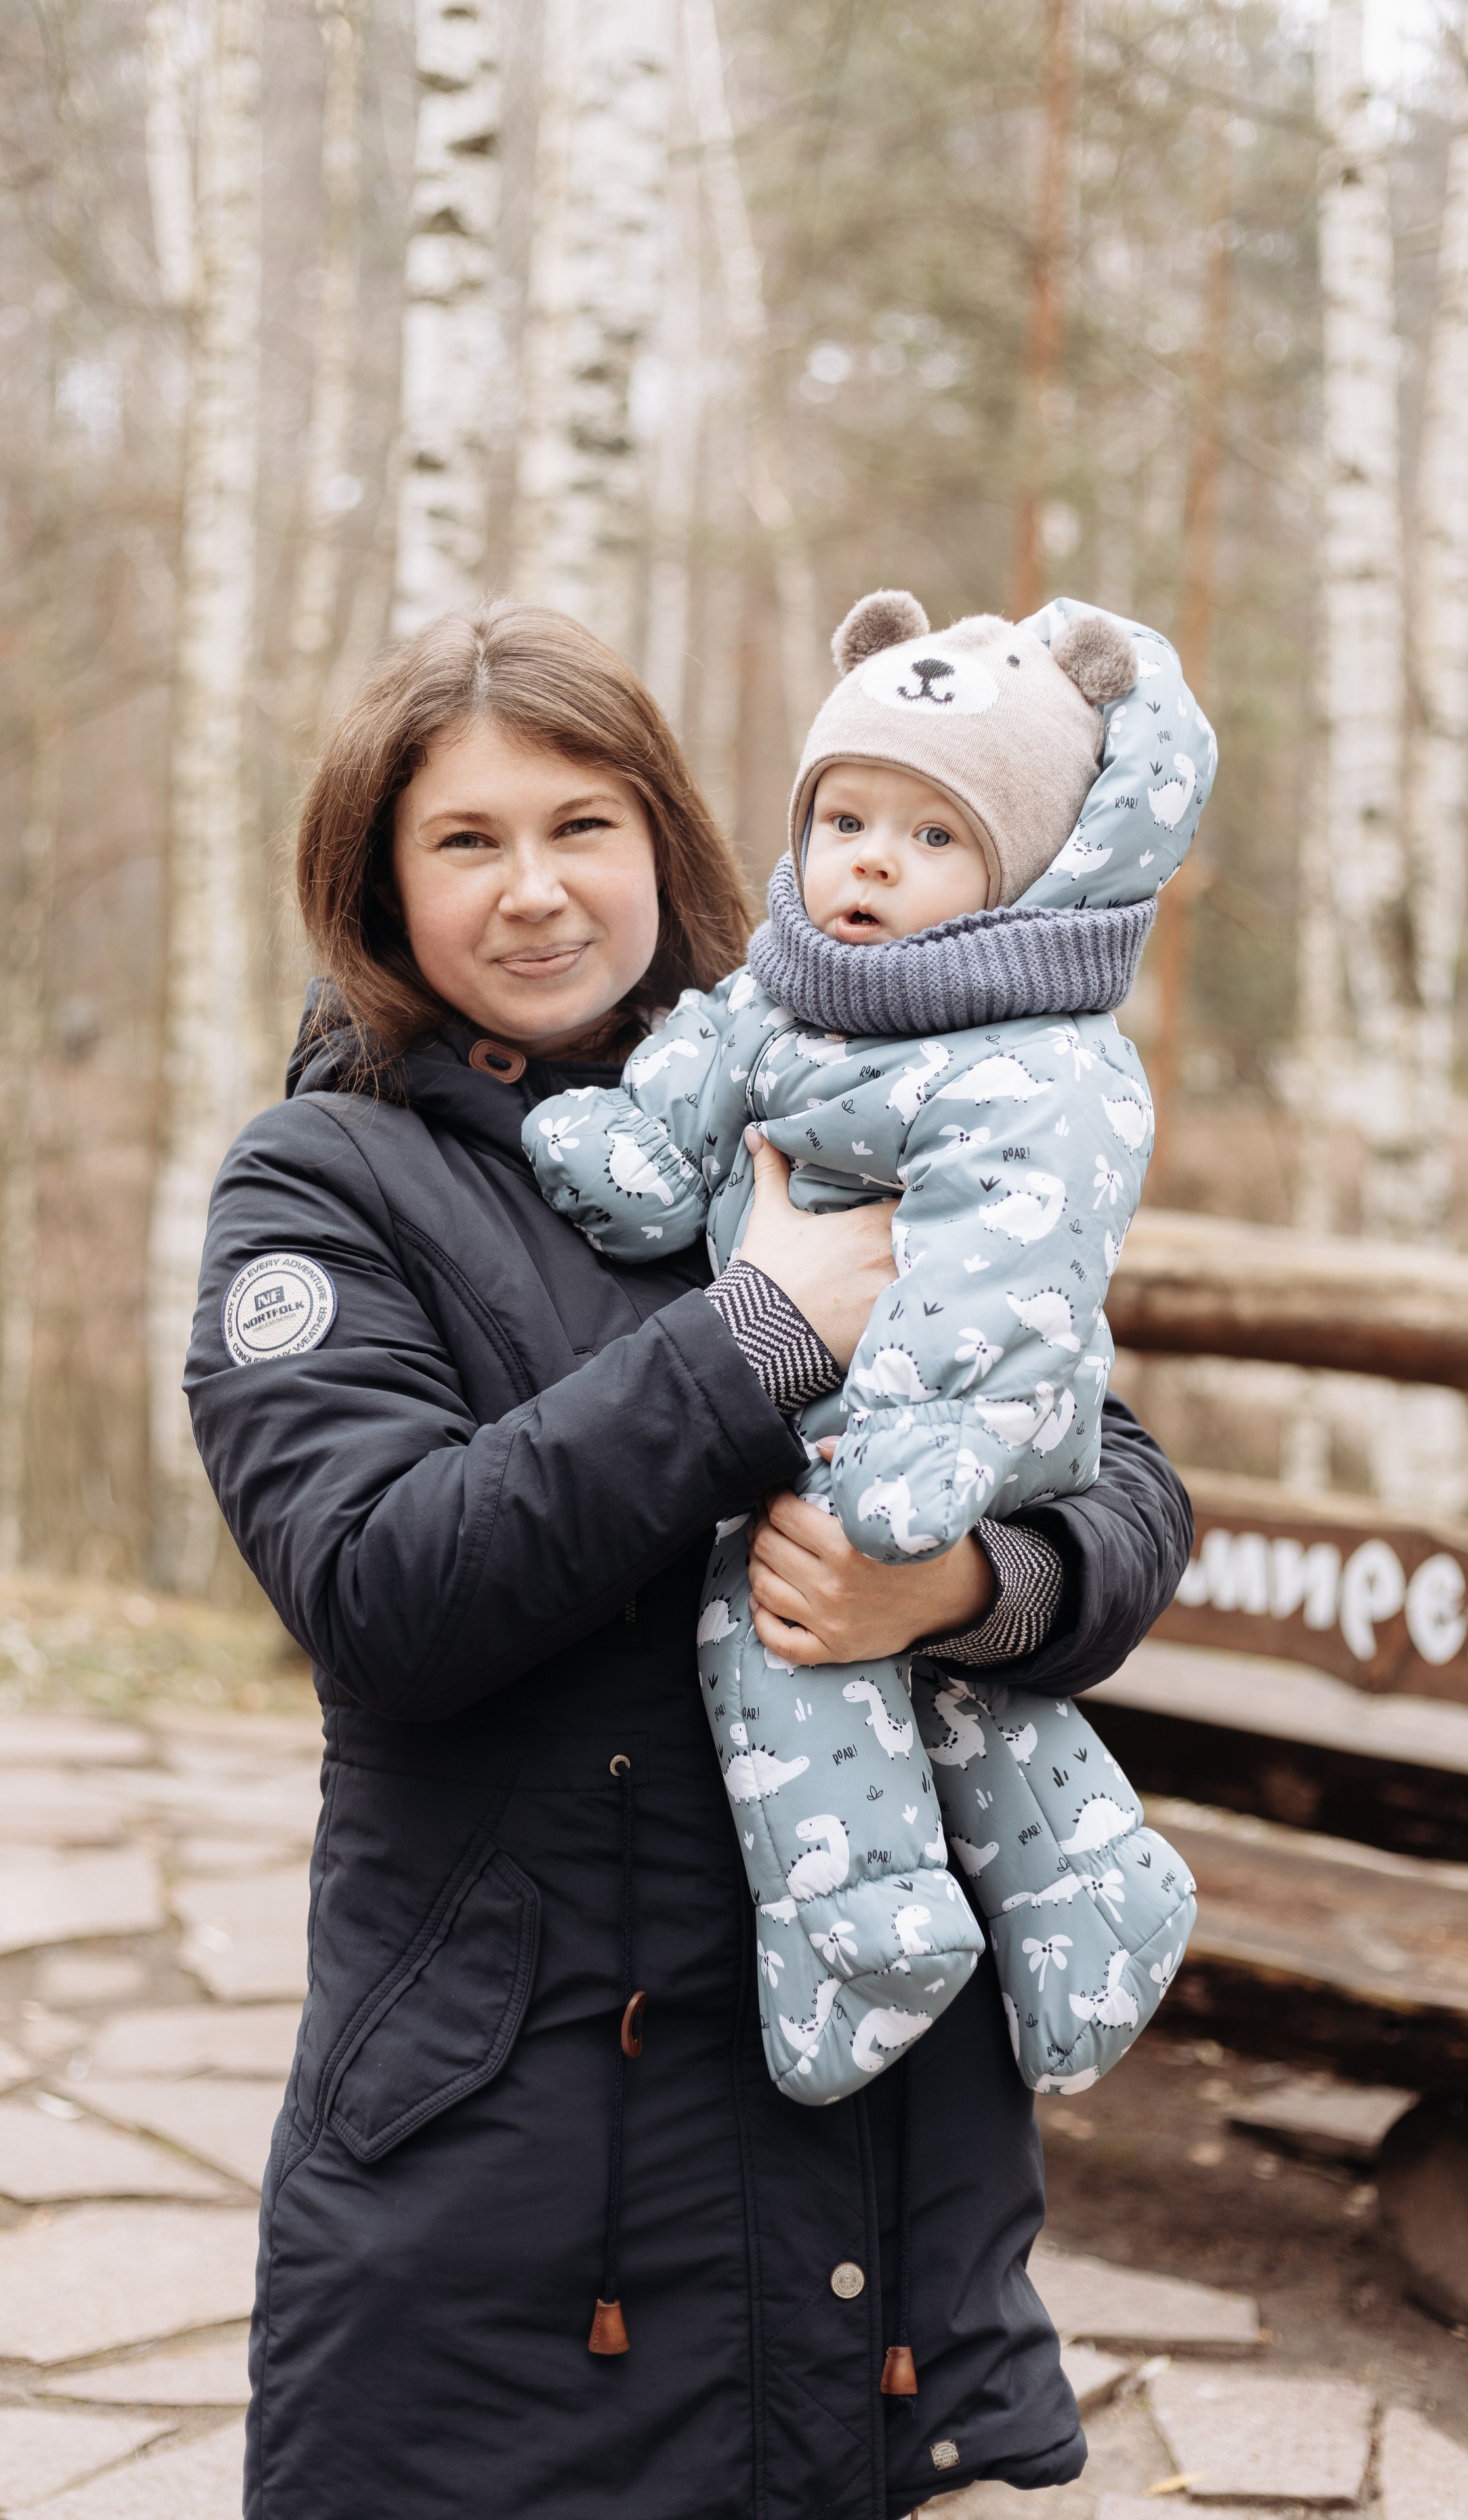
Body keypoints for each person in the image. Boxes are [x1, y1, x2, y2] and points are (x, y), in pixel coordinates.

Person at [184, 600, 1194, 2520]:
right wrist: (760, 1335)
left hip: (888, 2183)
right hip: (518, 2188)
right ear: (380, 888)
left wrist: (974, 1590)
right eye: (466, 842)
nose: (539, 891)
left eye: (584, 827)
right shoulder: (326, 1186)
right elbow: (385, 1591)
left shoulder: (839, 1088)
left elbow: (1122, 1485)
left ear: (670, 841)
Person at [518, 588, 1210, 2111]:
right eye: (843, 818)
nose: (871, 861)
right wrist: (639, 1151)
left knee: (767, 1599)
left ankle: (869, 1924)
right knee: (885, 1646)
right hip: (852, 1417)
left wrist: (945, 1508)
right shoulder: (788, 992)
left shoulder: (1037, 1055)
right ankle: (1091, 1888)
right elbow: (701, 1073)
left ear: (1029, 867)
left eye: (933, 835)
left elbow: (1014, 1255)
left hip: (962, 1411)